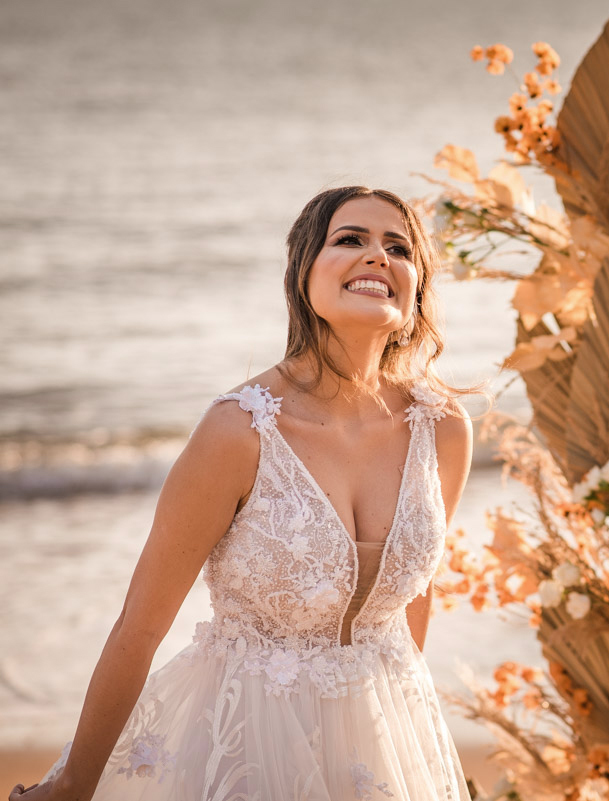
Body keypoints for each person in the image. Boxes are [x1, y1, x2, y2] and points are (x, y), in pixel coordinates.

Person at [11, 187, 477, 801]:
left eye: (399, 247)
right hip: (245, 739)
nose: (376, 257)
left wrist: (410, 743)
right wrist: (73, 785)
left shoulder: (441, 427)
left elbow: (412, 603)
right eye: (350, 240)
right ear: (302, 270)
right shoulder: (239, 430)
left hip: (385, 735)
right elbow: (139, 627)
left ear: (416, 284)